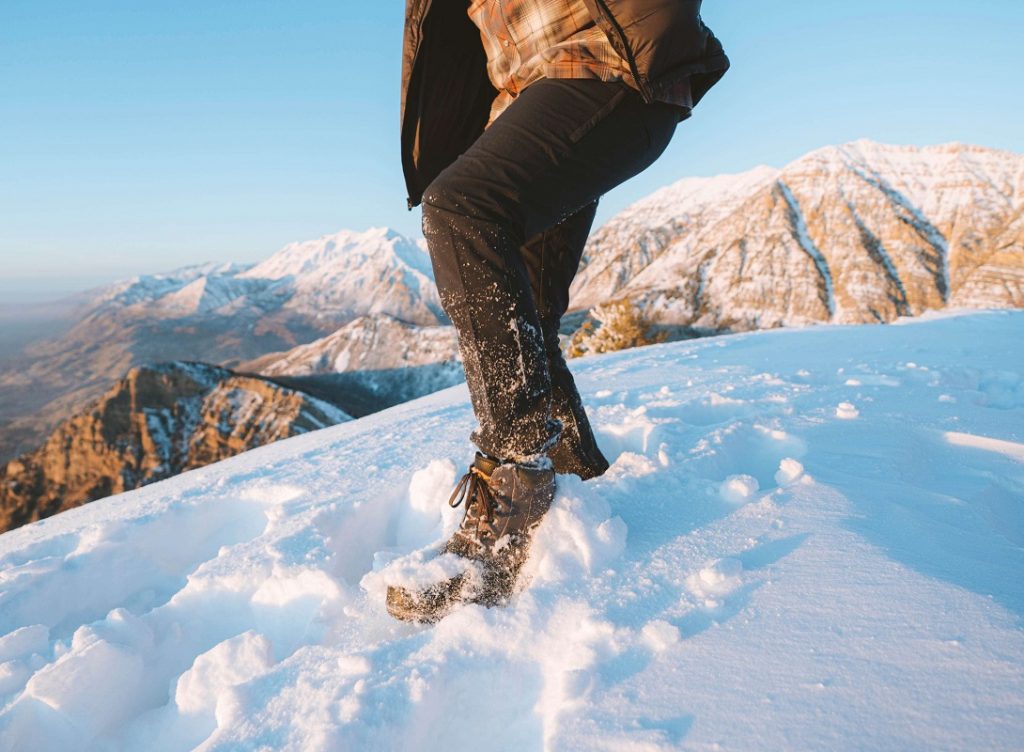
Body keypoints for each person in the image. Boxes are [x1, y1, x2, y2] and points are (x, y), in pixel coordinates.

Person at [386, 0, 728, 622]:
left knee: (462, 210)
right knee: (529, 313)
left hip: (606, 65)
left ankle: (515, 477)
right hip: (527, 98)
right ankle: (575, 489)